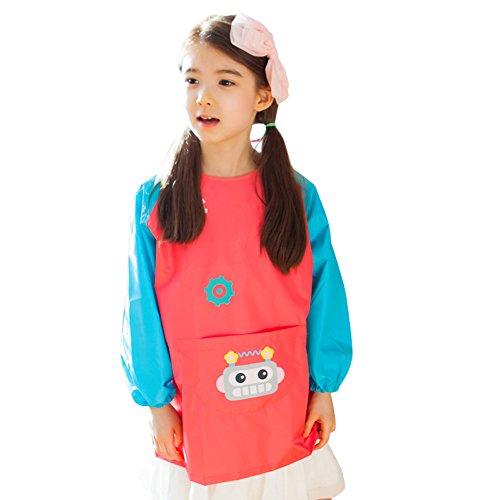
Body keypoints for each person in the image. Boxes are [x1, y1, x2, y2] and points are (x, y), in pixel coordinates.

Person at [120, 12, 353, 500]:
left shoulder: (297, 196)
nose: (204, 96)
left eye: (225, 82)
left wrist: (323, 387)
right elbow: (141, 309)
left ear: (262, 96)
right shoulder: (157, 199)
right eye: (192, 80)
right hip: (196, 413)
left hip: (284, 405)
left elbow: (325, 294)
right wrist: (157, 404)